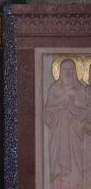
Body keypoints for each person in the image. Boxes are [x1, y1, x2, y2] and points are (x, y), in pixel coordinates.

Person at [44, 59, 85, 189]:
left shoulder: (81, 90)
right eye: (65, 69)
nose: (68, 72)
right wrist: (59, 107)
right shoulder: (54, 89)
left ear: (76, 71)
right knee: (59, 171)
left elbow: (86, 112)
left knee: (77, 165)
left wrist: (73, 108)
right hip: (58, 135)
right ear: (60, 71)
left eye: (71, 69)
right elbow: (48, 113)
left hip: (76, 135)